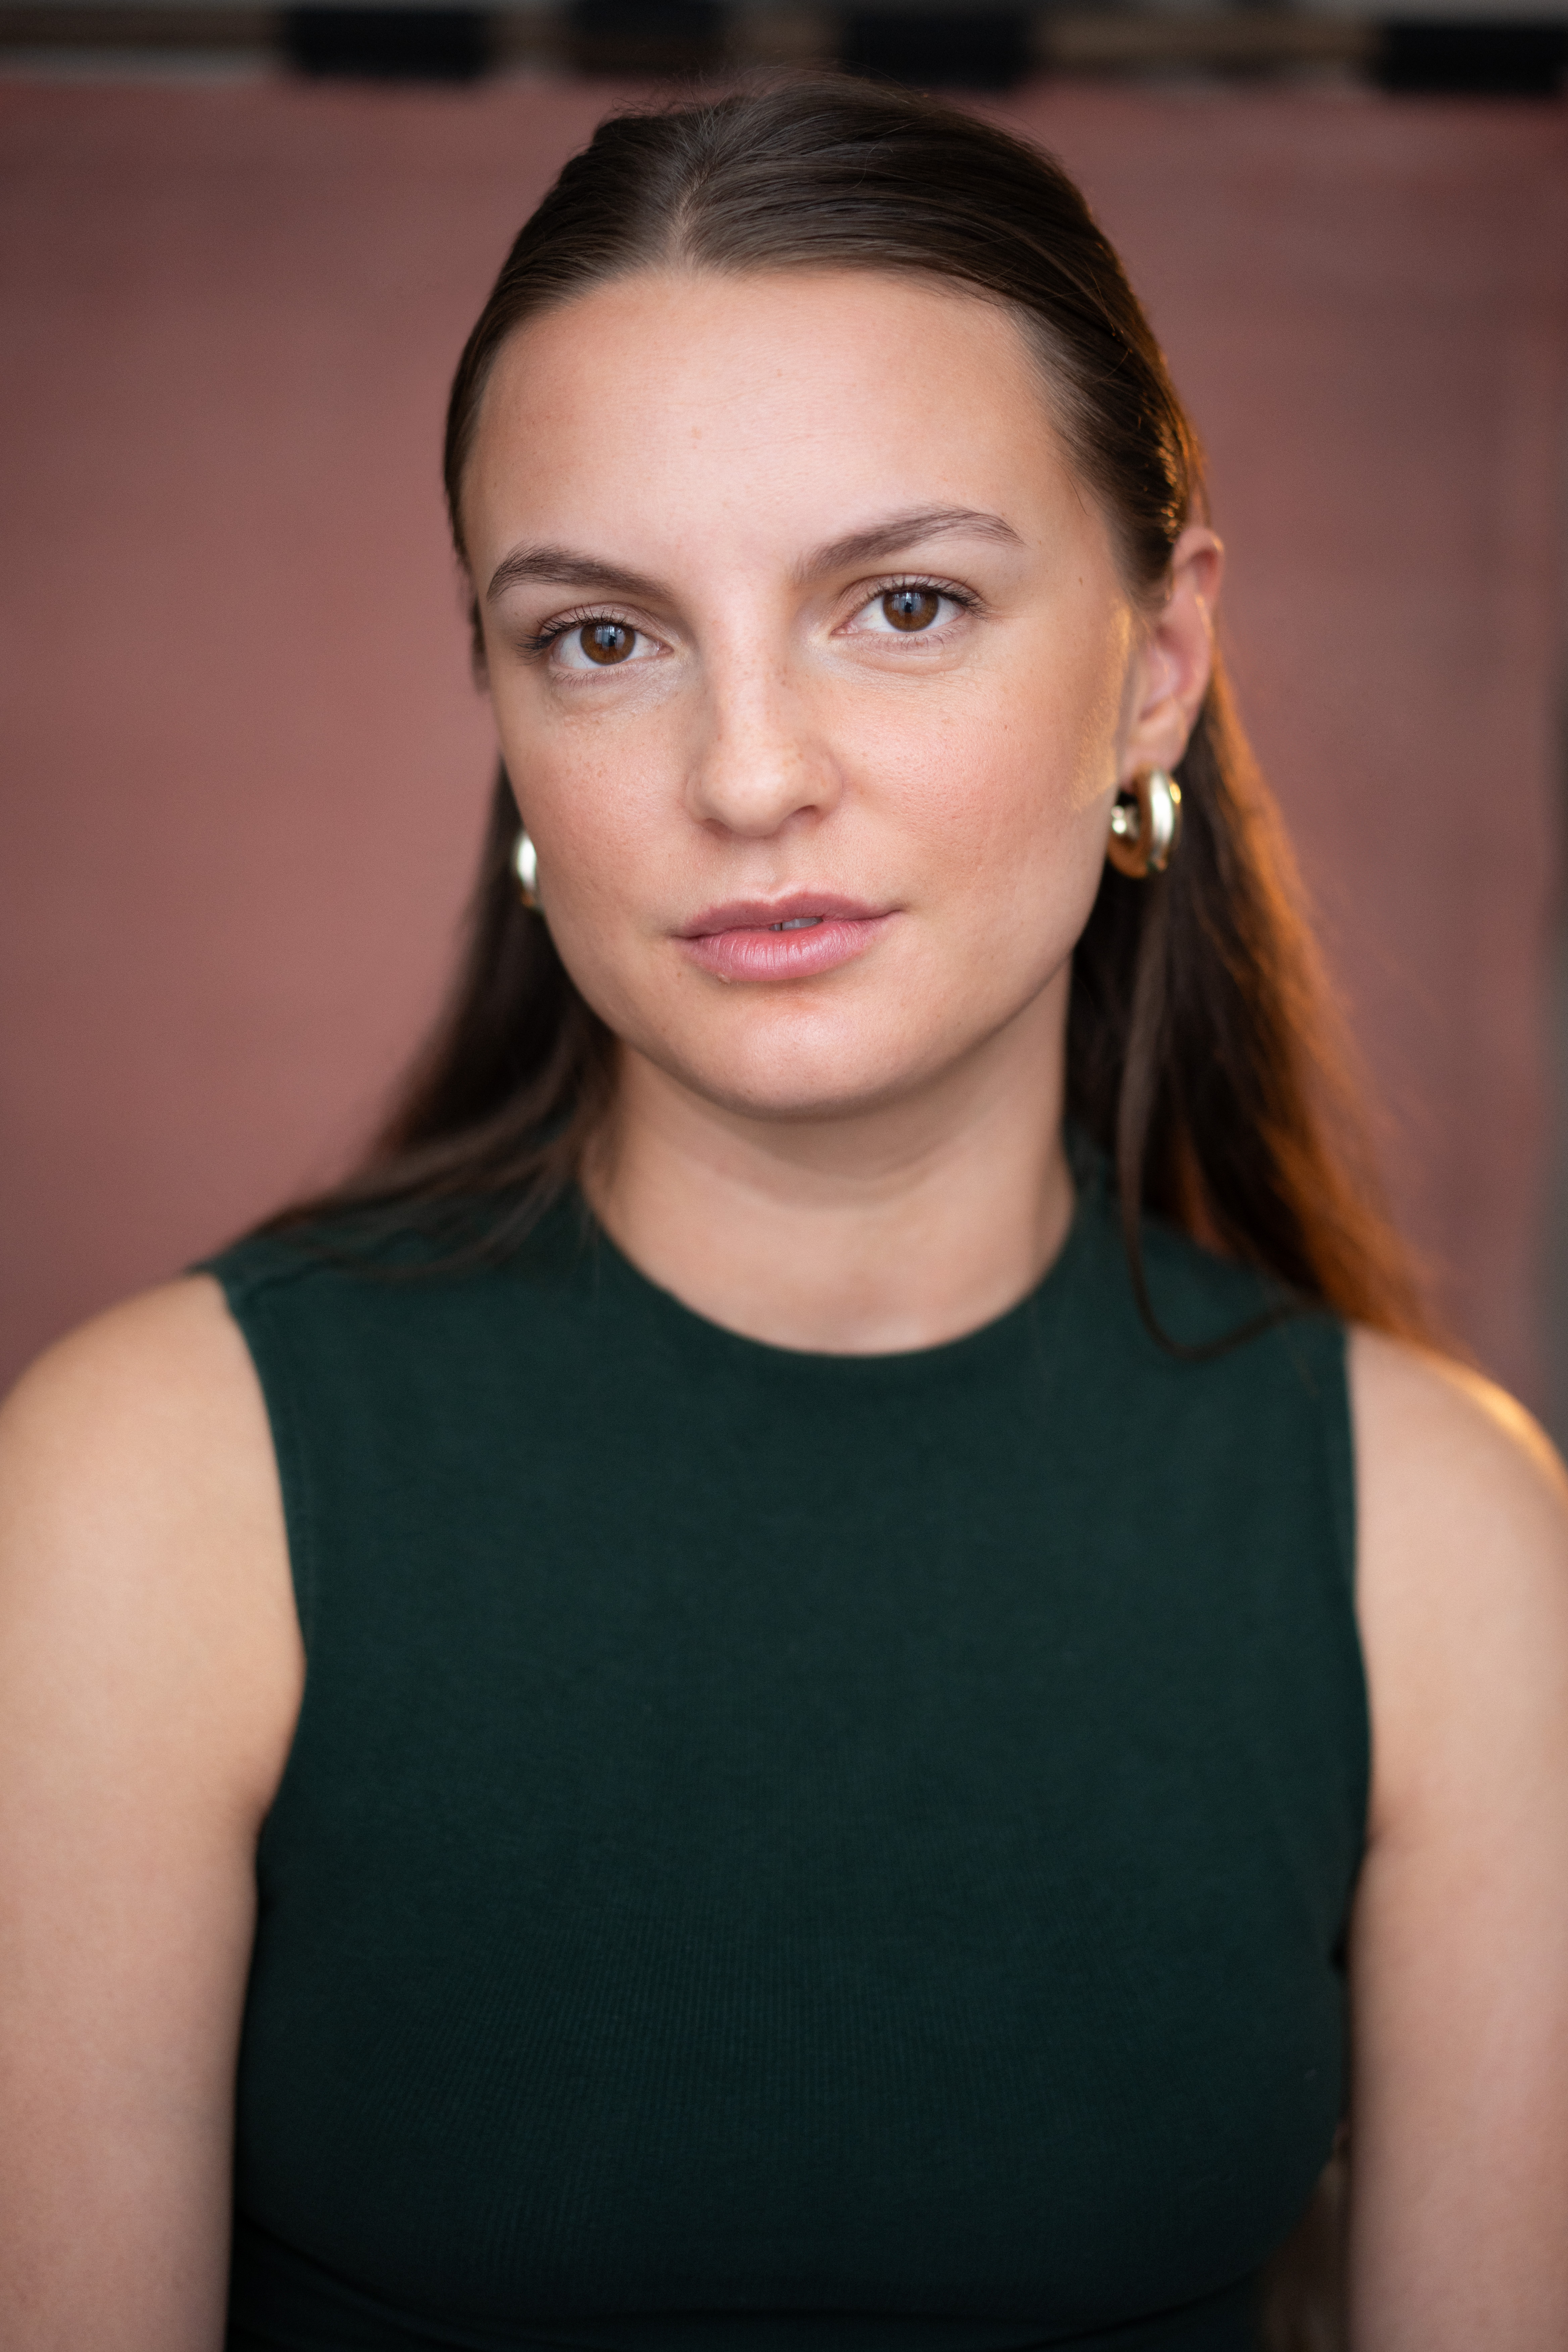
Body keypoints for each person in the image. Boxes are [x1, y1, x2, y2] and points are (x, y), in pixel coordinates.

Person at [1, 75, 1565, 2352]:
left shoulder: (1442, 1548)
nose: (744, 774)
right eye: (603, 637)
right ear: (504, 711)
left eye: (903, 604)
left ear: (1157, 665)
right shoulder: (150, 1494)